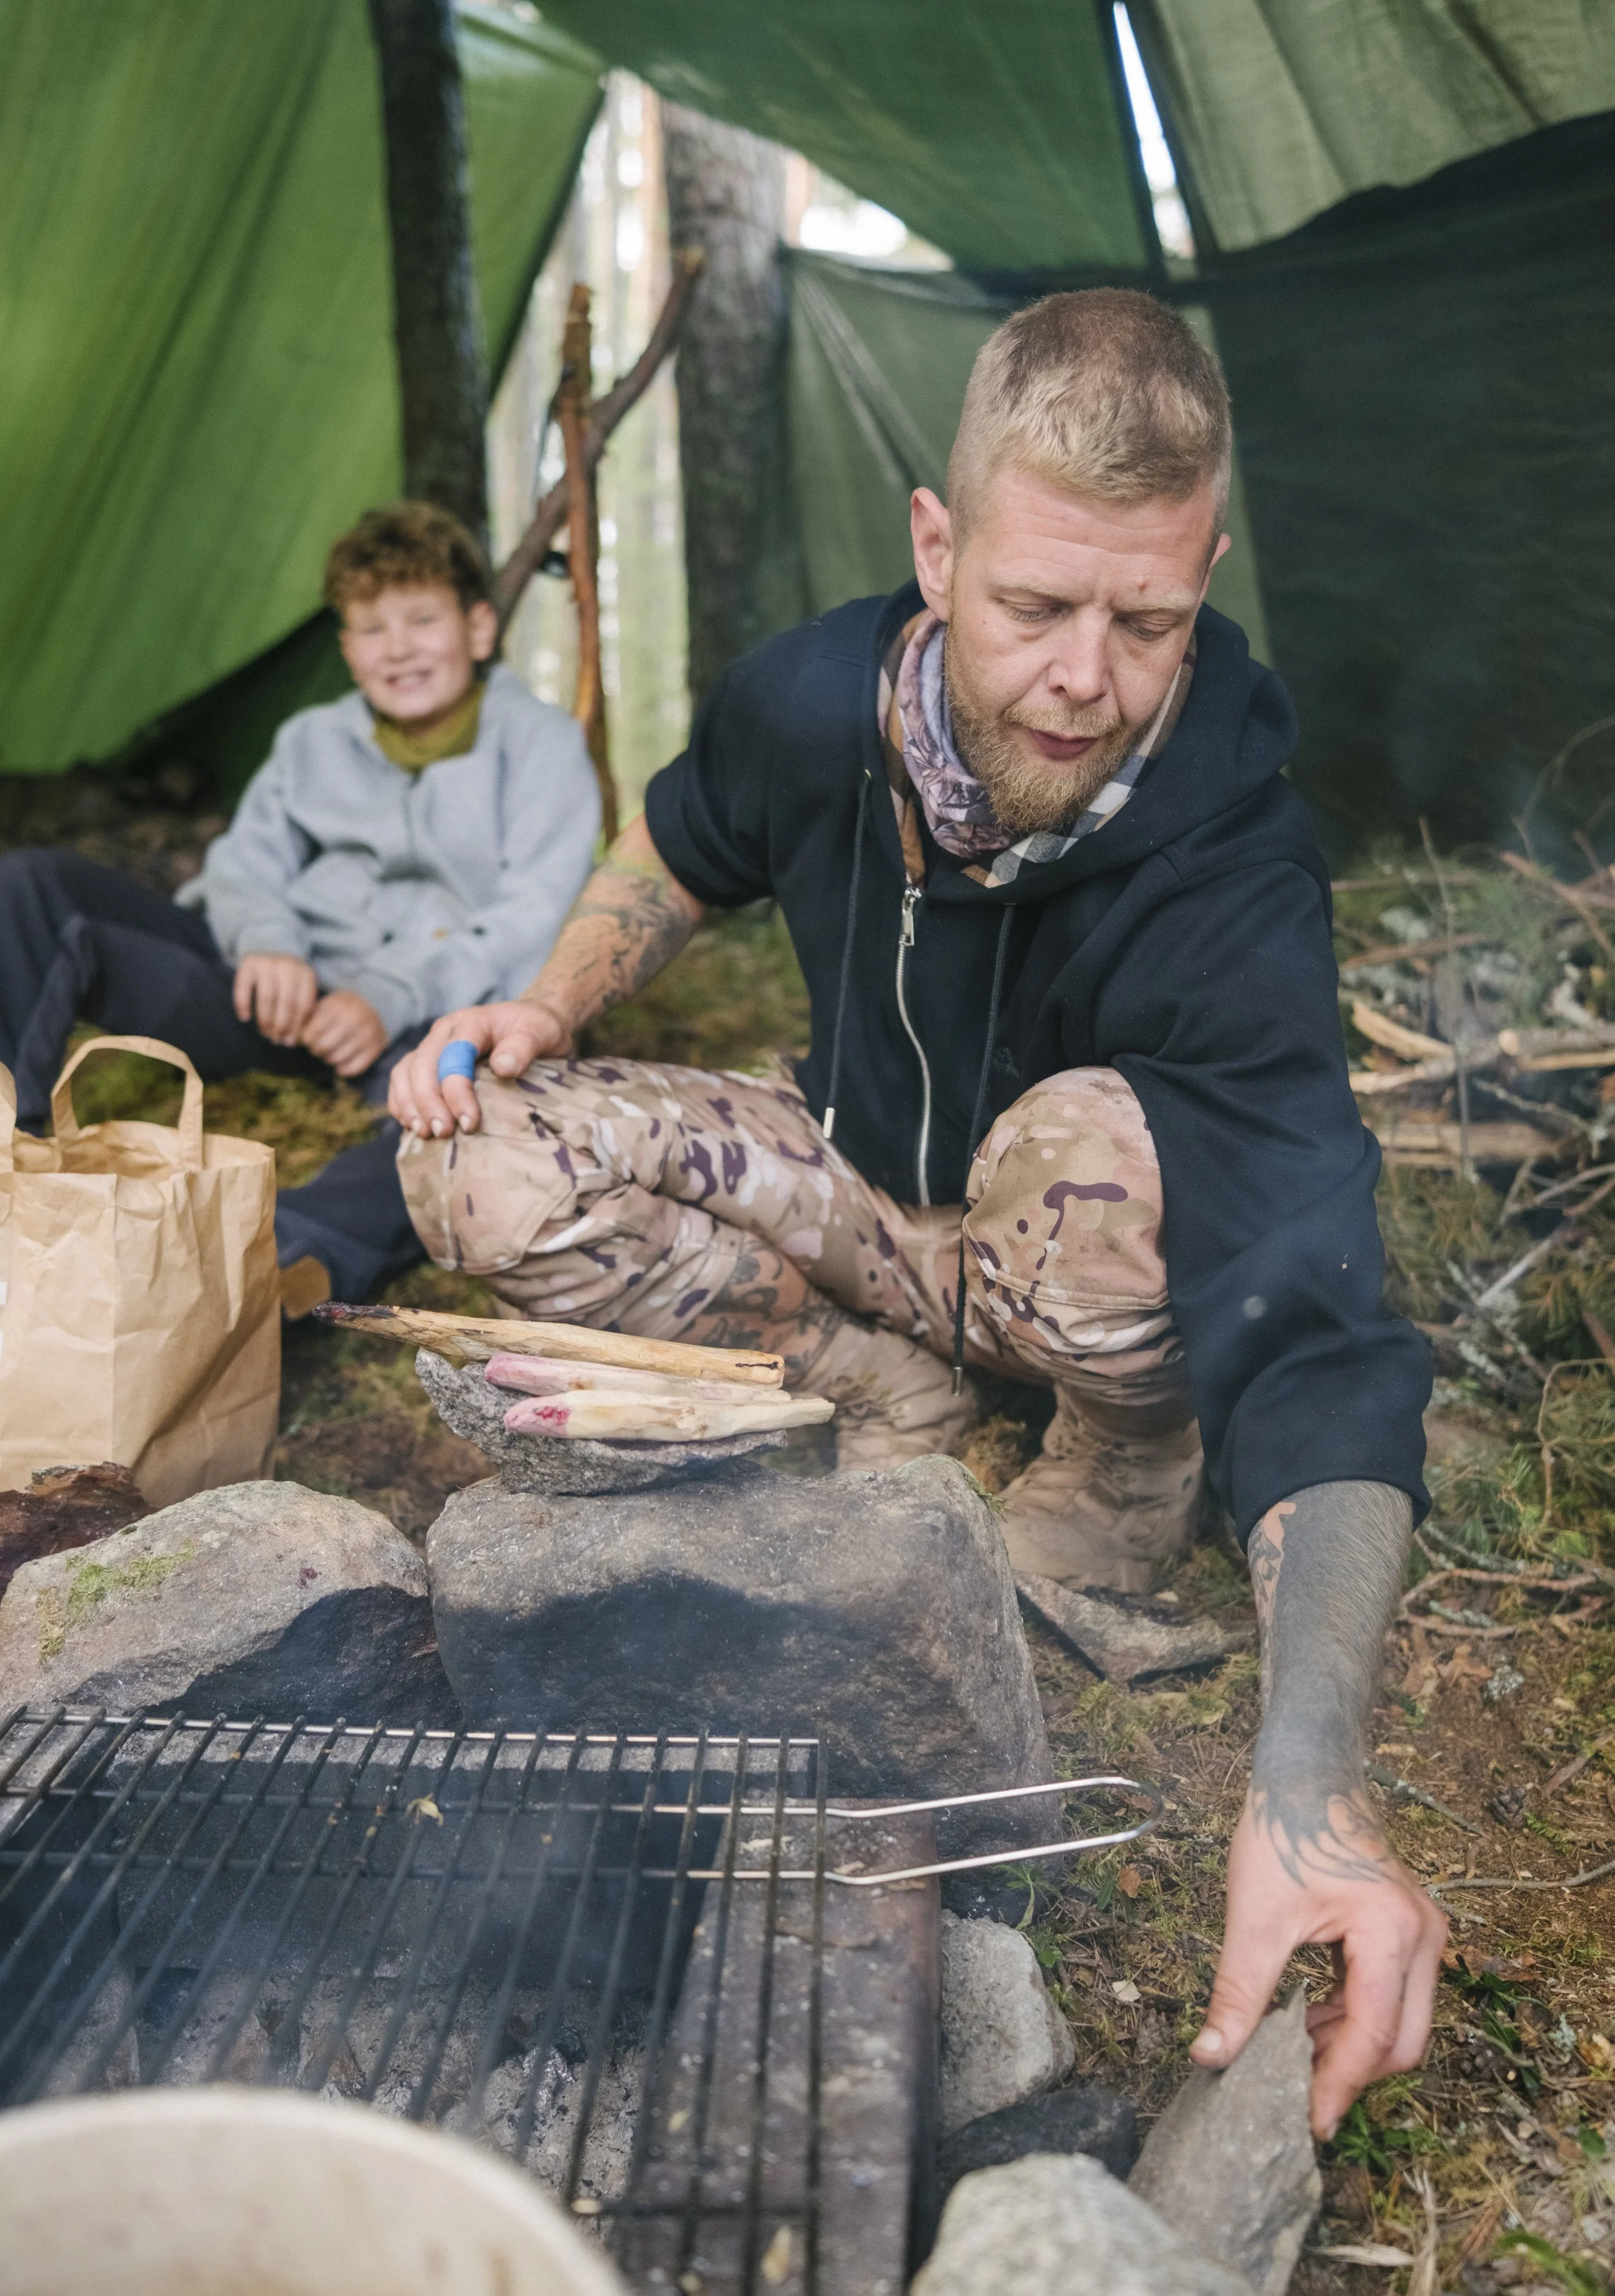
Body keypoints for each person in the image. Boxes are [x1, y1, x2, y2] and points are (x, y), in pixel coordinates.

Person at [387, 290, 1445, 2136]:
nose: (1085, 678)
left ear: (1203, 565)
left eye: (1147, 619)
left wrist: (1310, 1787)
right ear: (935, 546)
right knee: (469, 1156)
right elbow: (684, 833)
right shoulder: (810, 698)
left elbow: (1321, 1323)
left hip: (1075, 1255)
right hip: (867, 1208)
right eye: (1034, 605)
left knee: (1110, 1150)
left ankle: (1115, 1466)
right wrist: (547, 1004)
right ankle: (863, 1385)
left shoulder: (1236, 861)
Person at [0, 503, 599, 1303]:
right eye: (372, 629)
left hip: (434, 1021)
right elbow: (243, 863)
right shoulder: (312, 741)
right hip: (285, 1004)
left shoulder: (543, 746)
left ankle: (249, 1276)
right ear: (349, 651)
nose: (399, 649)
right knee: (33, 886)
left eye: (422, 619)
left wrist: (388, 998)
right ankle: (10, 1154)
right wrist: (267, 943)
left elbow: (534, 914)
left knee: (480, 1113)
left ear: (480, 629)